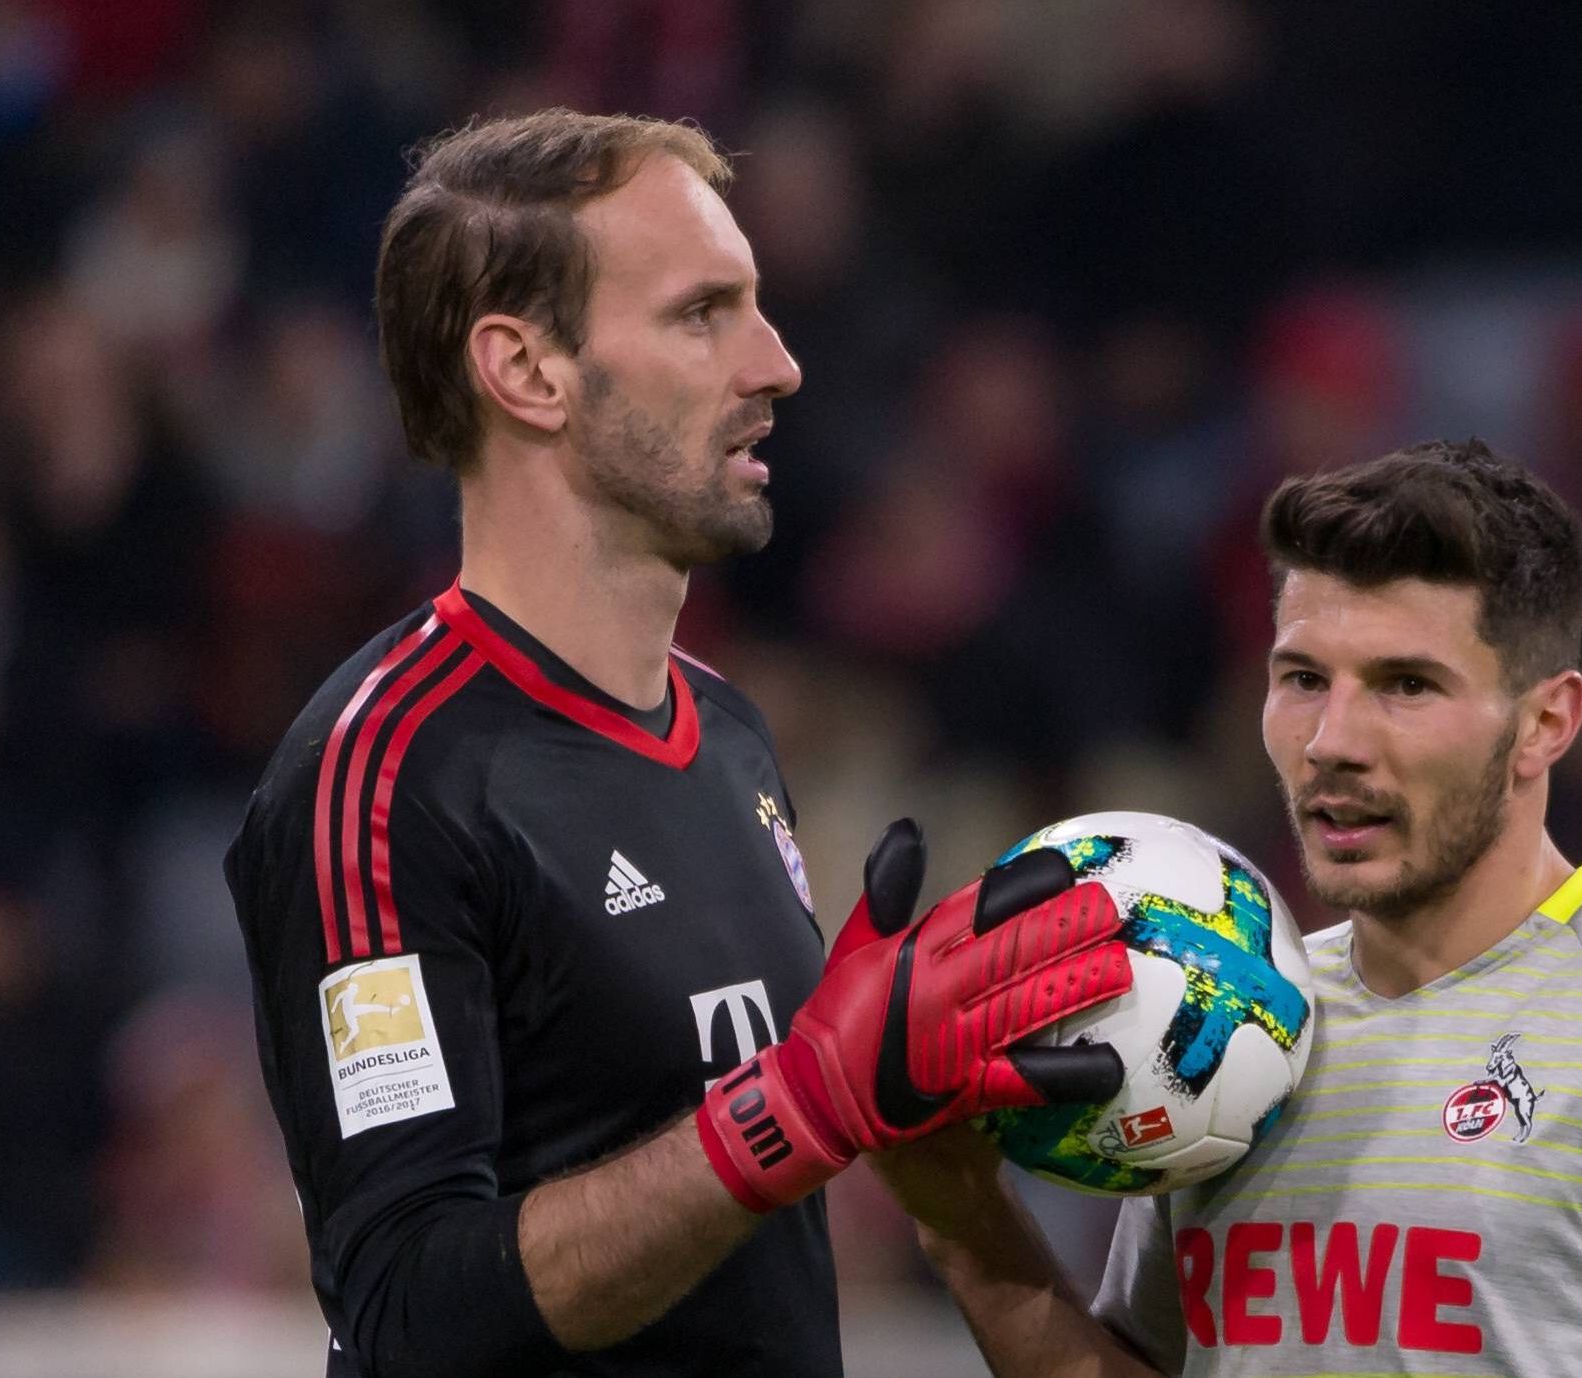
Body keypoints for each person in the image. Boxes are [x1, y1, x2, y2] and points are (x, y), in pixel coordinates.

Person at [222, 109, 1134, 1378]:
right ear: (526, 370)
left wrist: (913, 1138)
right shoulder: (379, 776)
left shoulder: (732, 738)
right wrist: (796, 1109)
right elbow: (406, 1307)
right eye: (703, 313)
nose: (776, 363)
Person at [878, 440, 1582, 1376]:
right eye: (1301, 678)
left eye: (1404, 685)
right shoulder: (1223, 1015)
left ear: (1545, 722)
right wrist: (963, 1217)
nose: (1332, 738)